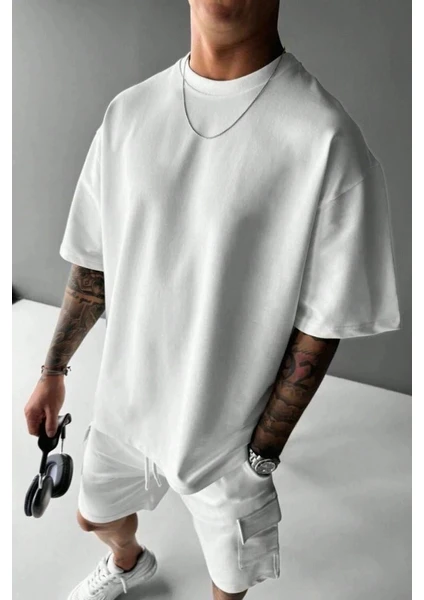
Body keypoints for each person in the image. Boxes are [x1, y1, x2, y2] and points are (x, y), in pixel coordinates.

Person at [24, 1, 402, 598]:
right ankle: (129, 562)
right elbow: (94, 263)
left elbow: (322, 324)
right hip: (124, 410)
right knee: (92, 518)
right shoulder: (128, 114)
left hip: (227, 443)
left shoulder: (326, 141)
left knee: (230, 582)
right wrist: (53, 372)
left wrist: (259, 457)